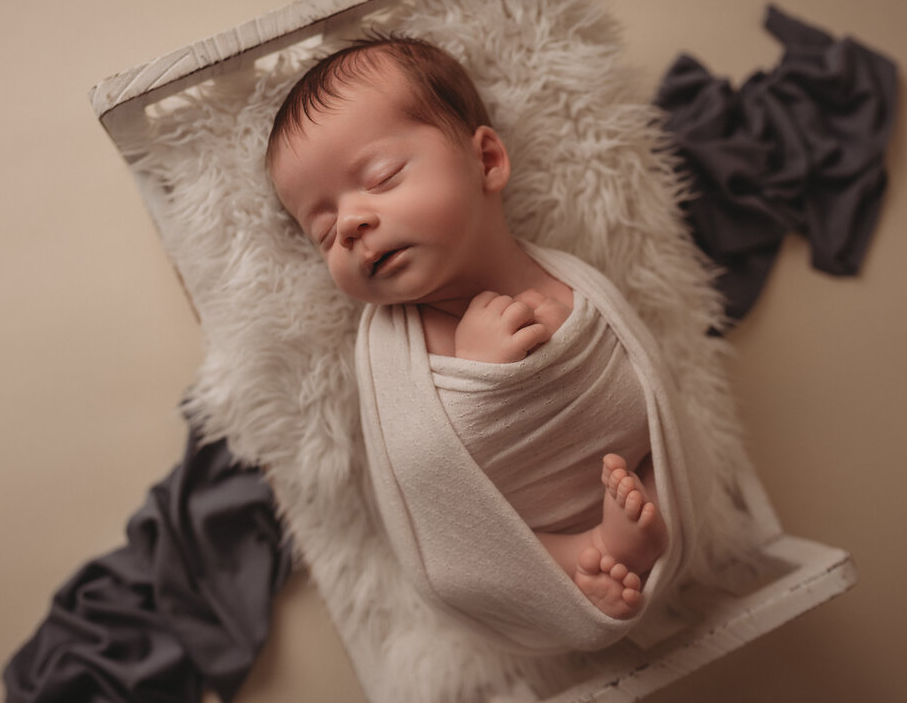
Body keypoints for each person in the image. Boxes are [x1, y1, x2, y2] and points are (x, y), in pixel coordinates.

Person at [265, 36, 669, 621]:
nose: (350, 224)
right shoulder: (393, 347)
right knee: (485, 552)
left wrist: (567, 349)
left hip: (623, 466)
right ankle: (577, 558)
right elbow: (425, 473)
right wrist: (480, 378)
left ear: (486, 162)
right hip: (521, 529)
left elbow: (639, 392)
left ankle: (639, 533)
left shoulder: (568, 279)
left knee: (656, 471)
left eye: (380, 177)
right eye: (324, 232)